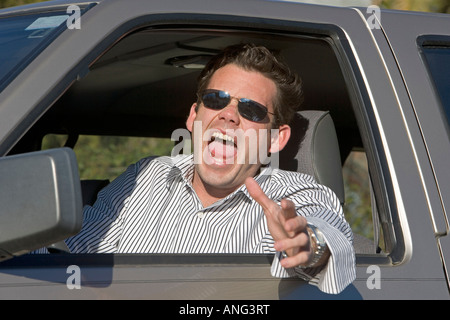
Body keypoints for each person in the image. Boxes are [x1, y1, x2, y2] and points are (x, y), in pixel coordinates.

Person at [65, 43, 356, 294]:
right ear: (194, 116)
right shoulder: (146, 176)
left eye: (251, 110)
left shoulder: (290, 195)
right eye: (215, 100)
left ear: (275, 139)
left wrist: (309, 246)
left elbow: (327, 231)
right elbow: (70, 255)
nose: (229, 115)